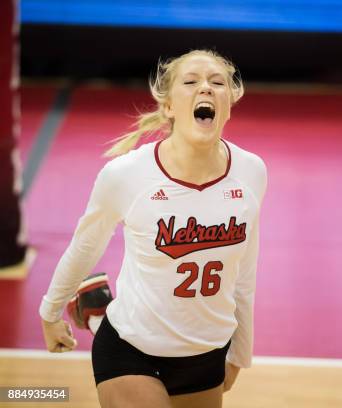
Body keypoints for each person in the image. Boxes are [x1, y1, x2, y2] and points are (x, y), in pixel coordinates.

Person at [39, 49, 267, 408]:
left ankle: (96, 313)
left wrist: (241, 351)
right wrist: (49, 313)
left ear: (229, 102)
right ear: (170, 107)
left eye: (217, 83)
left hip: (205, 352)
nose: (205, 88)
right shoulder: (126, 175)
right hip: (132, 349)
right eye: (190, 82)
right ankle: (105, 322)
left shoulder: (252, 171)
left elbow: (244, 270)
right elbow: (85, 247)